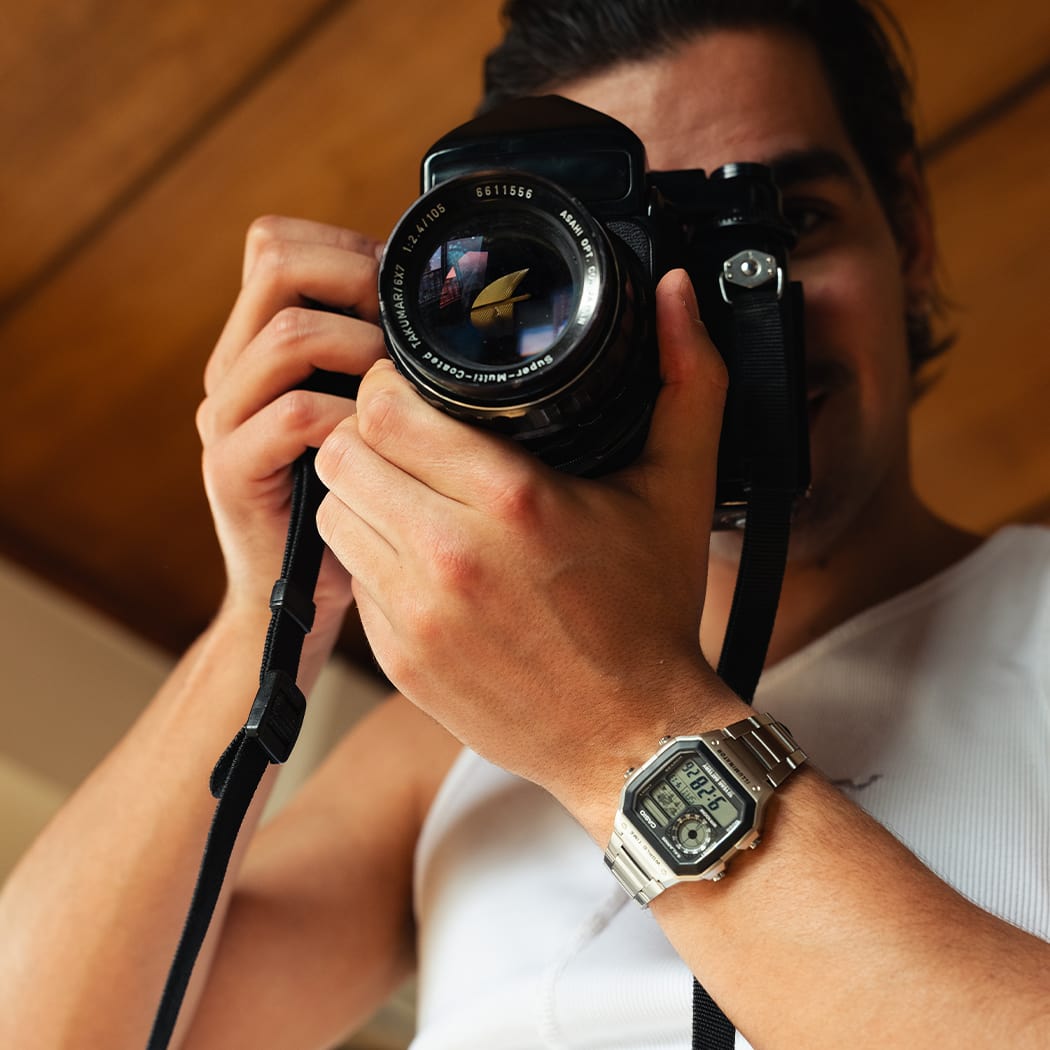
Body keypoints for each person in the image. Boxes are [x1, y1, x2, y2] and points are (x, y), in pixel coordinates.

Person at [2, 1, 1048, 1047]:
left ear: (906, 232)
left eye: (774, 227)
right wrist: (269, 608)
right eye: (629, 260)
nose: (710, 320)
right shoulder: (449, 743)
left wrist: (622, 733)